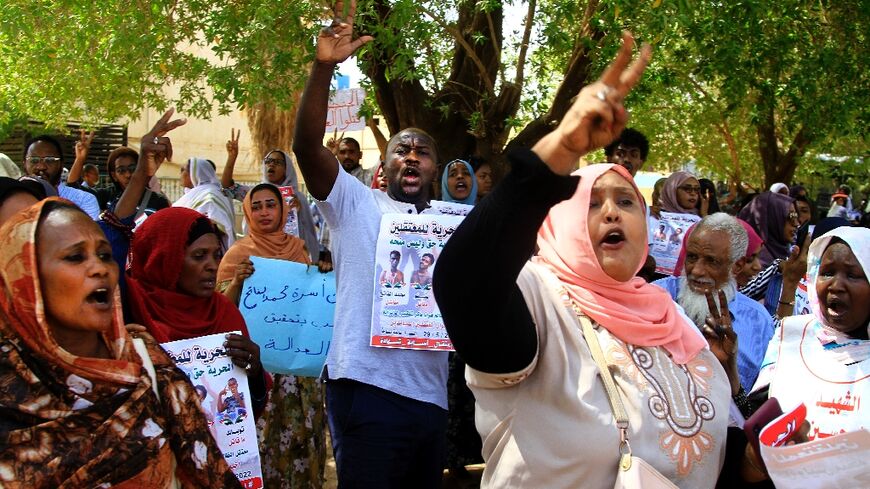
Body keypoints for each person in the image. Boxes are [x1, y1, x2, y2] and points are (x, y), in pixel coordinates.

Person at [435, 32, 732, 488]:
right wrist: (564, 146)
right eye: (591, 203)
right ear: (559, 221)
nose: (611, 211)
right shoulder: (539, 300)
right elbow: (464, 282)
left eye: (626, 202)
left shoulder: (670, 316)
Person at [292, 3, 450, 484]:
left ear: (435, 168)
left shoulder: (454, 223)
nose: (413, 157)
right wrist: (324, 68)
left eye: (423, 152)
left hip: (433, 398)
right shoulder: (356, 203)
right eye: (403, 148)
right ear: (384, 164)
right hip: (365, 389)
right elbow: (305, 147)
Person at [0, 199, 241, 488]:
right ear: (26, 278)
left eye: (104, 255)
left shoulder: (145, 361)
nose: (99, 268)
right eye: (76, 257)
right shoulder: (9, 389)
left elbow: (209, 470)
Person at [215, 182, 327, 488]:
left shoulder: (298, 248)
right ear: (248, 213)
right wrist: (237, 281)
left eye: (270, 204)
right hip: (258, 370)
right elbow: (220, 309)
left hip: (300, 368)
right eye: (256, 206)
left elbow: (310, 302)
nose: (264, 212)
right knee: (266, 440)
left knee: (304, 436)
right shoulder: (238, 254)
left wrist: (322, 272)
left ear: (283, 210)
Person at [743, 227, 869, 483]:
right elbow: (752, 442)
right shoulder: (792, 336)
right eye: (828, 272)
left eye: (853, 275)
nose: (836, 285)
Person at [124, 206, 269, 412]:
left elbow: (249, 408)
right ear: (165, 258)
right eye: (199, 255)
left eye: (216, 255)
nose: (212, 266)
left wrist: (254, 372)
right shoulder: (132, 309)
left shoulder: (223, 311)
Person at [654, 213, 775, 391]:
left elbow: (757, 405)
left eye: (712, 261)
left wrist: (729, 370)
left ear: (737, 266)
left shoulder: (758, 321)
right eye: (692, 257)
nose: (696, 271)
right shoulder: (655, 298)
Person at [221, 134, 320, 262]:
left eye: (277, 162)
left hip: (291, 259)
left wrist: (297, 212)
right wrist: (232, 158)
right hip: (259, 256)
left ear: (287, 169)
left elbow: (309, 235)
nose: (271, 165)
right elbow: (227, 188)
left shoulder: (297, 197)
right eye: (268, 161)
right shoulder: (256, 193)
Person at [23, 135, 101, 219]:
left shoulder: (84, 200)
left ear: (61, 165)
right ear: (24, 164)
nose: (41, 166)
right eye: (34, 160)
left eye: (50, 160)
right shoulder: (12, 198)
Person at [174, 157, 236, 247]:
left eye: (183, 170)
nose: (180, 173)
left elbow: (218, 224)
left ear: (194, 173)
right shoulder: (193, 194)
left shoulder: (210, 194)